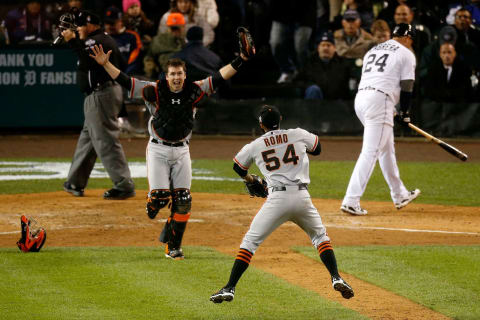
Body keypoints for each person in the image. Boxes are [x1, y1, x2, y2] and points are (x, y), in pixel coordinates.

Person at [88, 34, 252, 259]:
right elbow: (125, 80)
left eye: (180, 73)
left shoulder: (194, 90)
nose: (176, 77)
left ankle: (173, 246)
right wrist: (106, 64)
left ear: (185, 75)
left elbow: (220, 76)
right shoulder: (154, 90)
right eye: (173, 74)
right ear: (167, 76)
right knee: (160, 199)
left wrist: (241, 59)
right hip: (158, 149)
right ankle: (153, 202)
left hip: (182, 149)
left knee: (183, 201)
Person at [209, 105, 354, 303]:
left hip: (277, 199)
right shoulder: (298, 134)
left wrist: (250, 179)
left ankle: (230, 288)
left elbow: (238, 166)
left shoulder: (255, 145)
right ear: (281, 119)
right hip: (303, 198)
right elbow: (317, 149)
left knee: (250, 243)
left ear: (261, 125)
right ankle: (336, 276)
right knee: (320, 237)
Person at [340, 23, 420, 216]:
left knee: (386, 149)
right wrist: (405, 111)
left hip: (362, 100)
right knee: (371, 152)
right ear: (408, 37)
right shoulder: (406, 53)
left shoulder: (373, 49)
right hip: (380, 100)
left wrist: (393, 108)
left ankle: (399, 194)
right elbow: (407, 86)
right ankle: (351, 199)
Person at [61, 10, 135, 200]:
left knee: (105, 140)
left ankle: (123, 184)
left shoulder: (97, 40)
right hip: (100, 94)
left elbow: (87, 62)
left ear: (91, 25)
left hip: (102, 94)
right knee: (88, 140)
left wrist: (71, 41)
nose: (77, 29)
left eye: (80, 26)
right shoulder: (100, 40)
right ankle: (75, 182)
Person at [269, 0, 317, 83]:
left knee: (300, 47)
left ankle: (304, 73)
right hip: (280, 14)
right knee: (275, 43)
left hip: (305, 15)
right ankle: (287, 70)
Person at [296, 31, 352, 100]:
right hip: (314, 102)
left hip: (336, 102)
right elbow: (299, 81)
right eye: (323, 45)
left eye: (328, 45)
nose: (325, 48)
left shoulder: (343, 64)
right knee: (313, 90)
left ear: (335, 48)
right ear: (318, 48)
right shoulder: (309, 62)